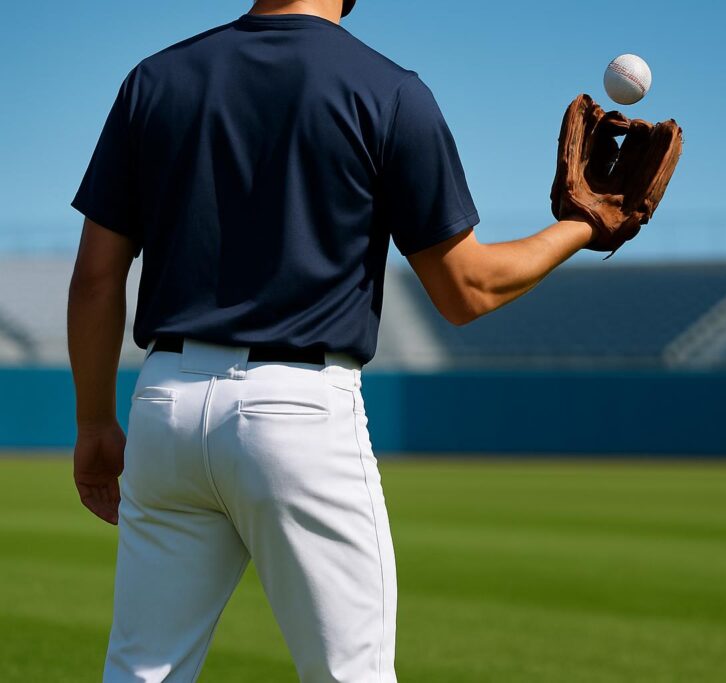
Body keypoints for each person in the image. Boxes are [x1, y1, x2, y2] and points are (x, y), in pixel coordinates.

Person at [68, 1, 604, 680]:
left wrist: (94, 423)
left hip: (164, 407)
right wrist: (583, 224)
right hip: (295, 412)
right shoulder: (388, 90)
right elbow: (467, 289)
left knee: (140, 670)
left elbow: (95, 280)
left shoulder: (156, 78)